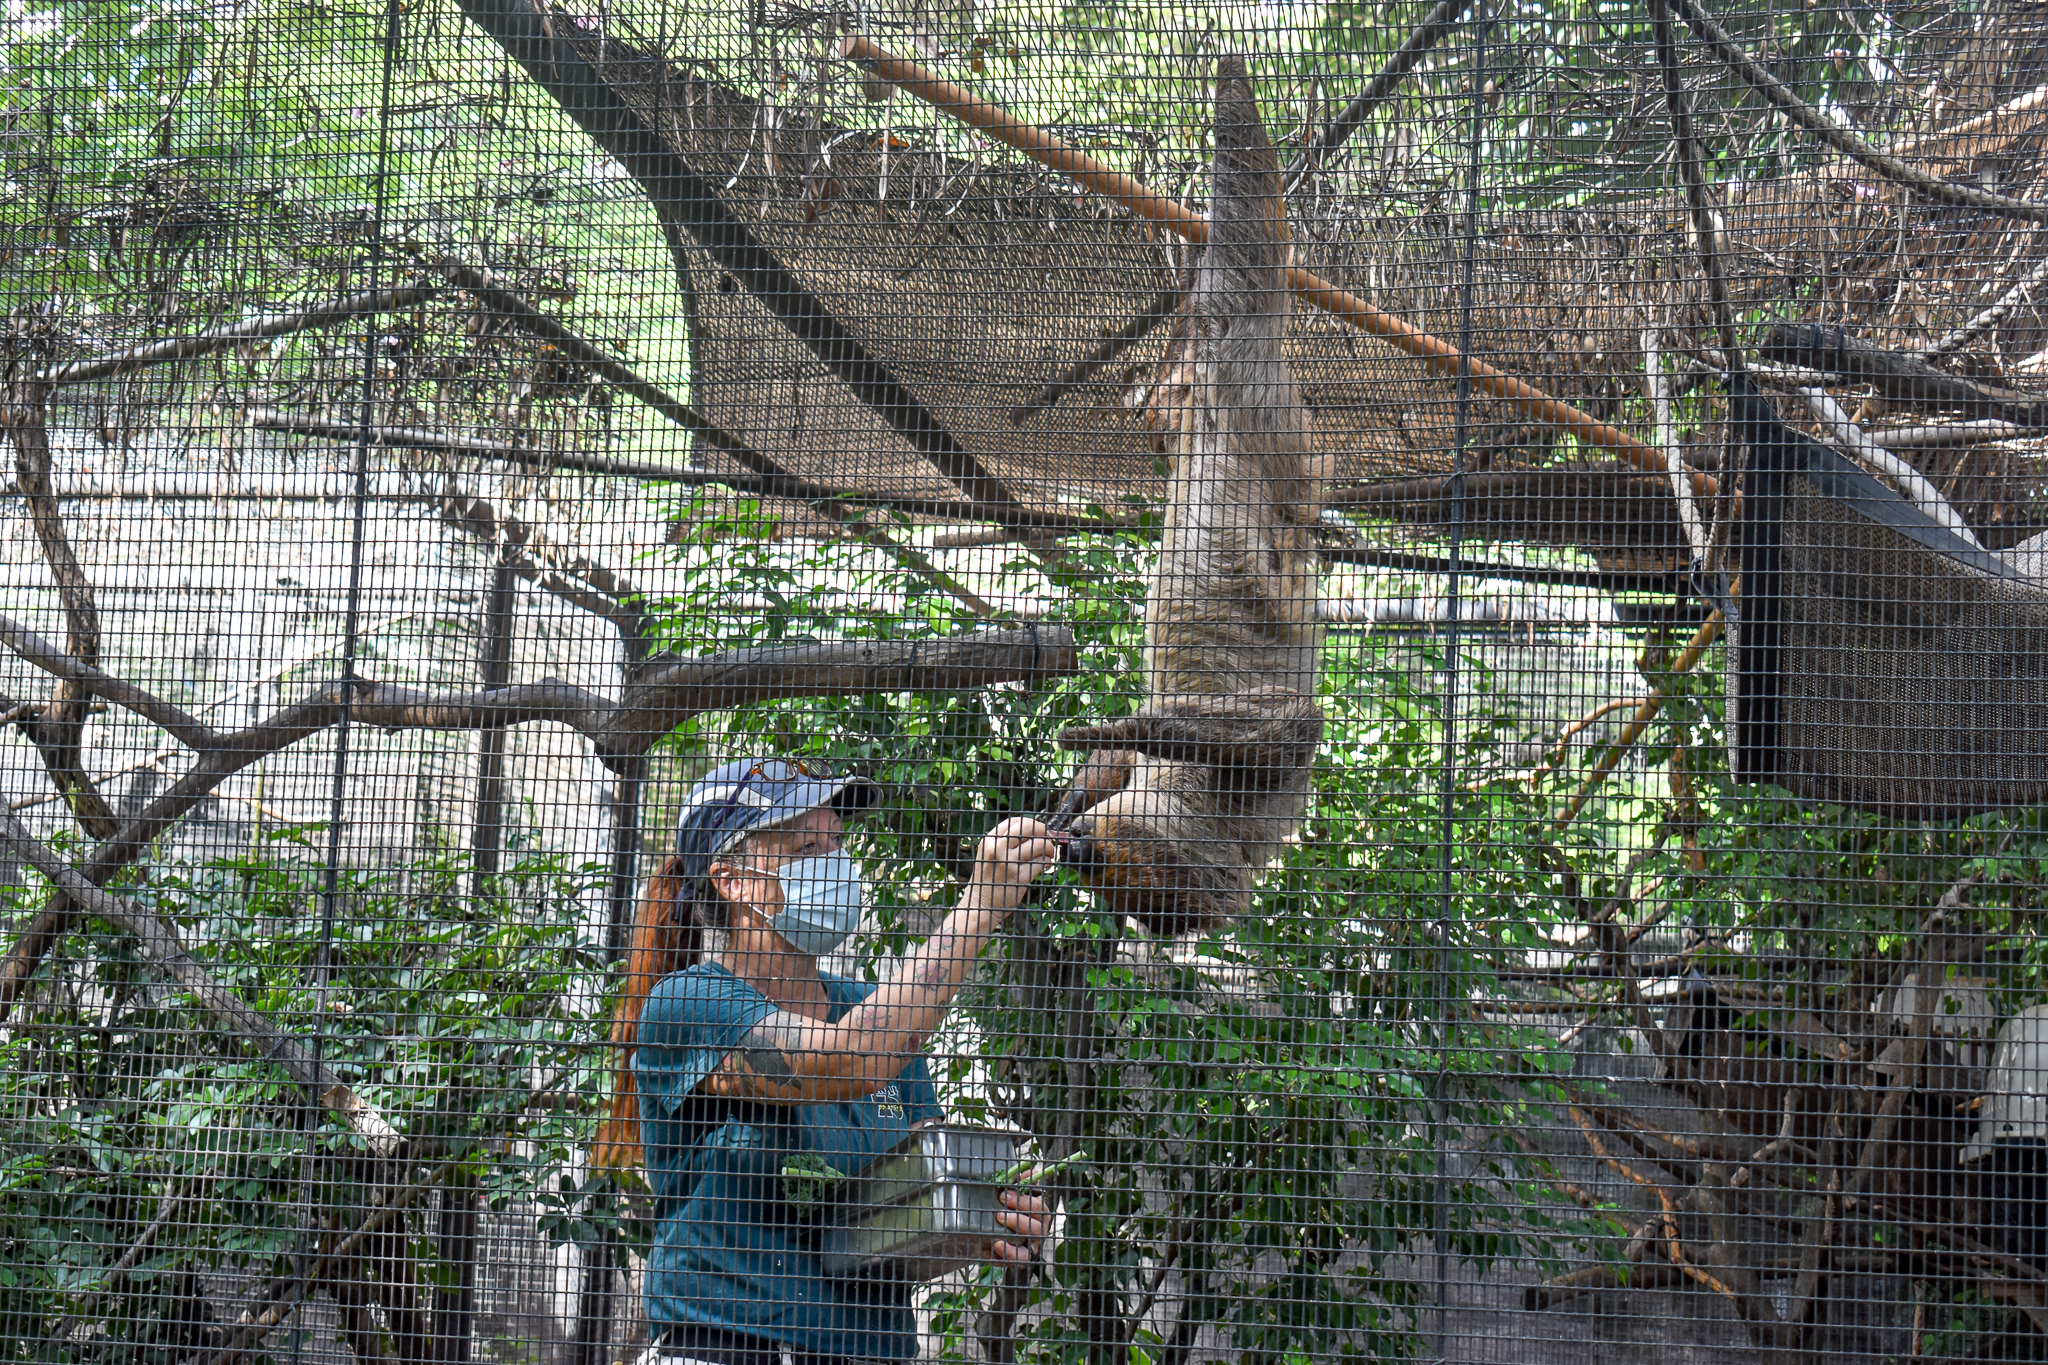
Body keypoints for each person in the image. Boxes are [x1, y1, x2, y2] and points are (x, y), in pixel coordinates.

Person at [621, 757, 1059, 1365]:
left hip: (870, 1351)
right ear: (734, 879)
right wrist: (982, 903)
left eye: (836, 844)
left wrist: (978, 1226)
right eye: (806, 847)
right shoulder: (689, 1001)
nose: (836, 866)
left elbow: (900, 1218)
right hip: (726, 1346)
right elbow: (844, 1061)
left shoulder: (873, 1013)